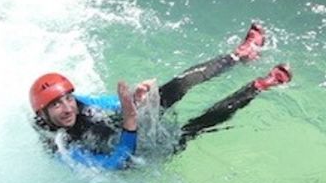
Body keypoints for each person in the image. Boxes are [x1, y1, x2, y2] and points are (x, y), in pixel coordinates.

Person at [29, 22, 290, 169]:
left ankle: (240, 54)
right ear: (43, 113)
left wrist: (133, 100)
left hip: (124, 125)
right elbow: (112, 166)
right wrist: (130, 126)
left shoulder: (78, 103)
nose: (66, 108)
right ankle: (259, 86)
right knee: (196, 126)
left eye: (67, 99)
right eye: (55, 105)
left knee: (177, 85)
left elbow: (105, 104)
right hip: (138, 156)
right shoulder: (62, 146)